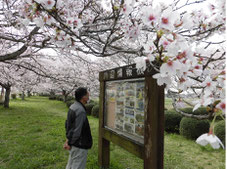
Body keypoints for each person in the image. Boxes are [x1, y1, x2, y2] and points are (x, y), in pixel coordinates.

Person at [64, 87, 93, 169]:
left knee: (71, 165)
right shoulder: (80, 111)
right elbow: (77, 130)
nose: (89, 95)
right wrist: (69, 143)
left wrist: (68, 140)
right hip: (79, 145)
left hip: (74, 143)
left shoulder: (73, 106)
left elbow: (68, 125)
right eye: (87, 94)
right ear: (83, 97)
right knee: (77, 166)